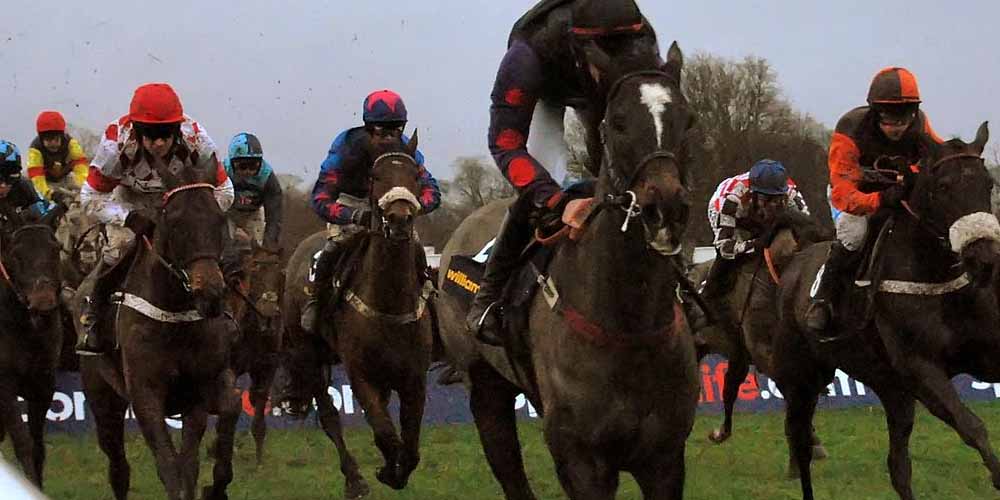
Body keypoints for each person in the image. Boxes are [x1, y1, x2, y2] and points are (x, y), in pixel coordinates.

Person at [467, 0, 663, 345]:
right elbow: (506, 143)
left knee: (632, 177)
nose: (614, 59)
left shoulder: (642, 42)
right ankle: (489, 296)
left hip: (609, 91)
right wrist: (557, 201)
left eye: (622, 49)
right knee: (548, 180)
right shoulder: (526, 57)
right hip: (549, 89)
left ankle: (676, 282)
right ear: (579, 47)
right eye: (605, 54)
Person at [76, 82, 234, 355]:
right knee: (118, 248)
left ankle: (228, 312)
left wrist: (196, 217)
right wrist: (127, 217)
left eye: (166, 135)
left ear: (177, 129)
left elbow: (225, 190)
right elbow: (90, 197)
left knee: (215, 242)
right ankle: (93, 315)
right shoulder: (116, 144)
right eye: (150, 135)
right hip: (130, 199)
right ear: (137, 130)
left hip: (180, 202)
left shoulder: (196, 140)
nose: (159, 143)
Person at [805, 67, 944, 337]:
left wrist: (916, 176)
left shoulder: (920, 124)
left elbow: (938, 160)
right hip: (853, 196)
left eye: (904, 115)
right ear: (876, 111)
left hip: (898, 193)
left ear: (914, 111)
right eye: (889, 116)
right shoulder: (851, 128)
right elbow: (843, 192)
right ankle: (823, 298)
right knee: (854, 236)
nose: (897, 125)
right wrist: (879, 199)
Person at [299, 89, 441, 333]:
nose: (390, 137)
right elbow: (320, 197)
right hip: (351, 203)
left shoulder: (407, 150)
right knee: (334, 247)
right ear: (368, 127)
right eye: (382, 130)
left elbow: (432, 190)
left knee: (415, 247)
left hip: (393, 206)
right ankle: (316, 301)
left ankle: (432, 306)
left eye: (396, 129)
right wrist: (353, 215)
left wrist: (414, 206)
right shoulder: (346, 146)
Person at [701, 160, 809, 300]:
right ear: (753, 194)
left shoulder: (792, 195)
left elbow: (806, 230)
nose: (772, 205)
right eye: (767, 199)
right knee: (728, 259)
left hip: (753, 210)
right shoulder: (731, 201)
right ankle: (708, 293)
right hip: (727, 210)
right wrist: (756, 244)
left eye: (777, 199)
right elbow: (725, 248)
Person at [224, 132, 283, 250]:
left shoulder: (267, 176)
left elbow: (274, 215)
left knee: (261, 249)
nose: (248, 171)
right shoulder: (223, 171)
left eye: (253, 166)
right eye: (242, 166)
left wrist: (270, 242)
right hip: (228, 212)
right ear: (232, 162)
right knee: (223, 245)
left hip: (253, 213)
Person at [26, 111, 90, 203]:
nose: (53, 144)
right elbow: (37, 178)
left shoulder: (71, 144)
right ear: (41, 138)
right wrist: (50, 194)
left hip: (66, 177)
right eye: (48, 139)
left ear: (62, 136)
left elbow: (81, 167)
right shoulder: (35, 150)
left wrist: (82, 186)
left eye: (56, 139)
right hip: (46, 181)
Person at [0, 141, 53, 222]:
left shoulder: (23, 185)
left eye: (10, 177)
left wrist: (31, 212)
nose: (3, 185)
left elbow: (47, 208)